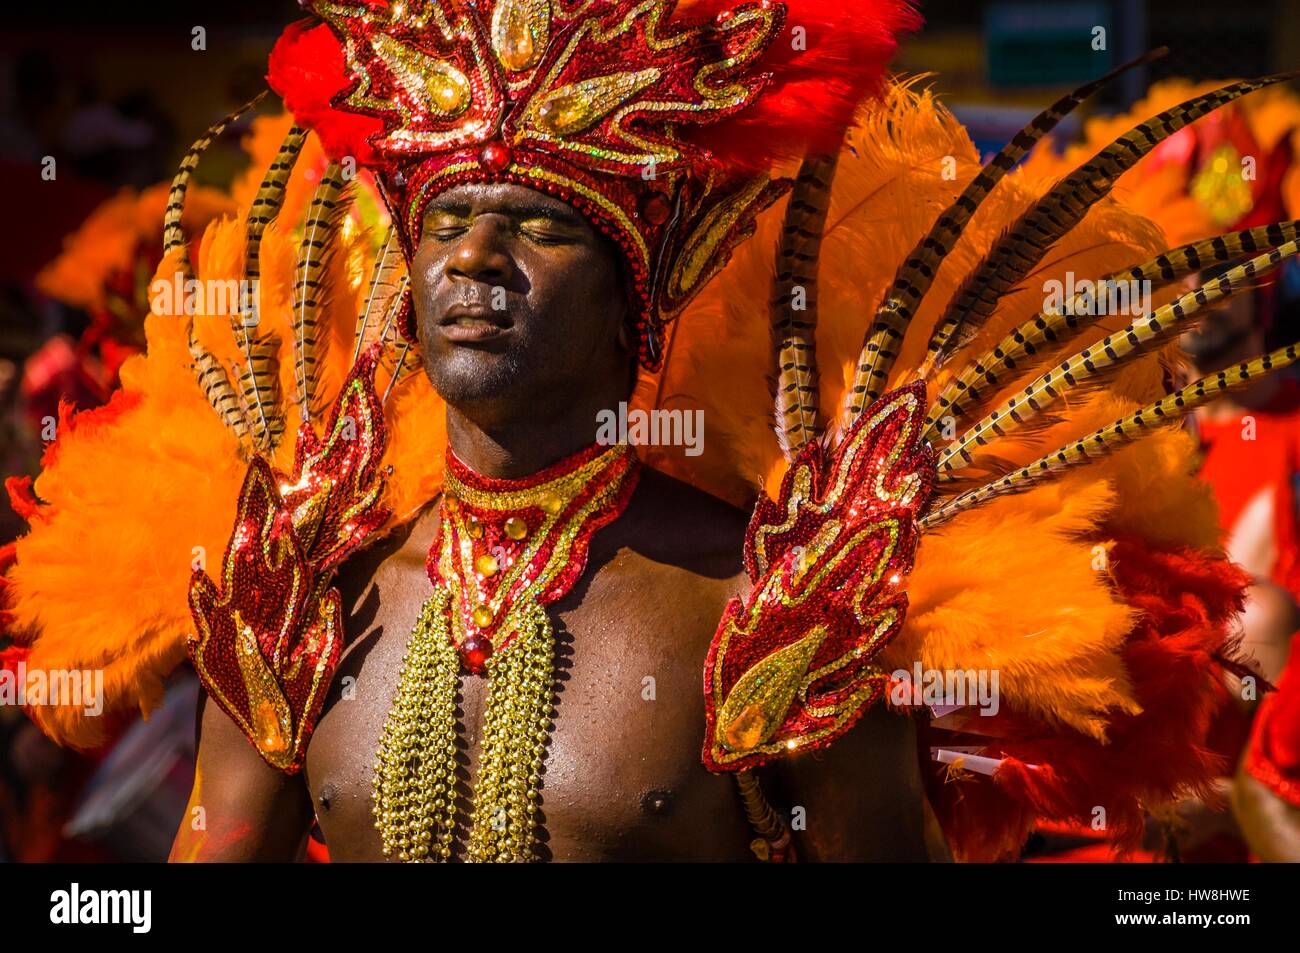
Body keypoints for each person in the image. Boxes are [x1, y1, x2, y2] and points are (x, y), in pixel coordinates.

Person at [6, 0, 1299, 863]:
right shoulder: (311, 592)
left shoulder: (770, 606)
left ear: (638, 294)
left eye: (542, 224)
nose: (477, 259)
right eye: (446, 223)